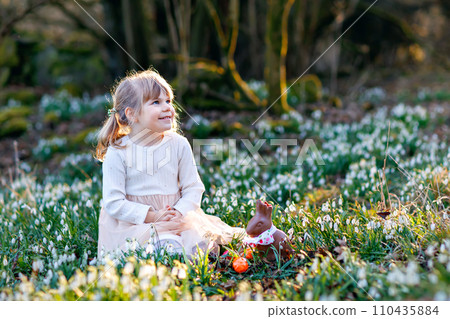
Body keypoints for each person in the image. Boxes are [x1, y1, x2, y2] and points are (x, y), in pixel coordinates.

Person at [95, 69, 245, 260]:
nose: (167, 107)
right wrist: (152, 217)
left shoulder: (178, 144)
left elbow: (193, 187)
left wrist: (178, 212)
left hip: (176, 218)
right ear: (132, 114)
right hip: (135, 224)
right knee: (162, 247)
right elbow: (114, 203)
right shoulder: (118, 151)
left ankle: (183, 255)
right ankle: (168, 256)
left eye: (168, 101)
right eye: (156, 102)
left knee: (199, 244)